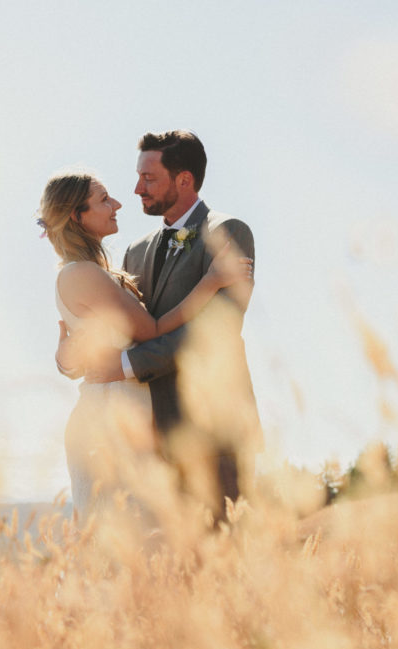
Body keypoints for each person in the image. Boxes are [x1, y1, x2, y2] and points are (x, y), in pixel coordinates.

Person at [57, 131, 261, 524]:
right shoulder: (136, 250)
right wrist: (70, 357)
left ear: (184, 179)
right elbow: (118, 328)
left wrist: (126, 365)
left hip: (211, 431)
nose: (136, 189)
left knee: (219, 563)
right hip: (144, 437)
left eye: (149, 178)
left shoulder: (230, 233)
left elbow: (210, 335)